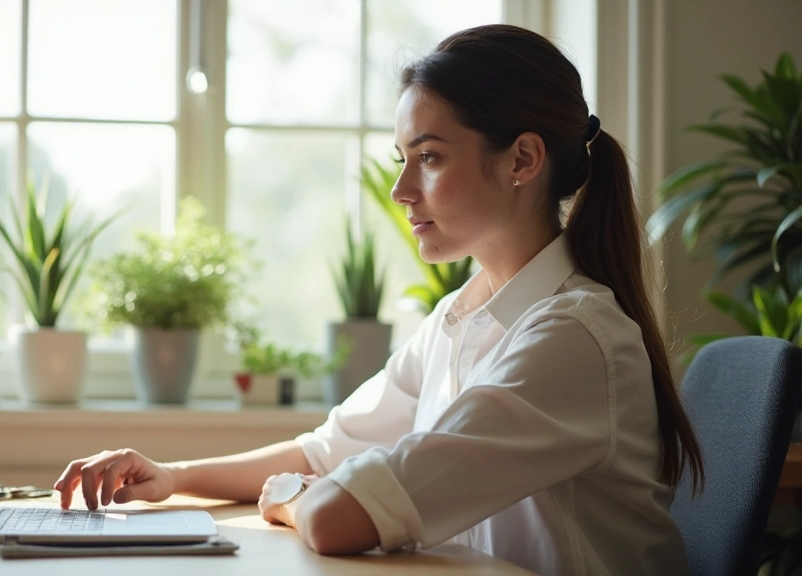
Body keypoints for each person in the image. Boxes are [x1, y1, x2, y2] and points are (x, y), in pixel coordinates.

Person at [54, 24, 704, 575]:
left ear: (522, 160)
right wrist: (173, 474)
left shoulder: (569, 338)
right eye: (402, 157)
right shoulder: (462, 316)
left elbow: (337, 517)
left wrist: (286, 497)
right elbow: (325, 454)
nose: (400, 190)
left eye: (428, 157)